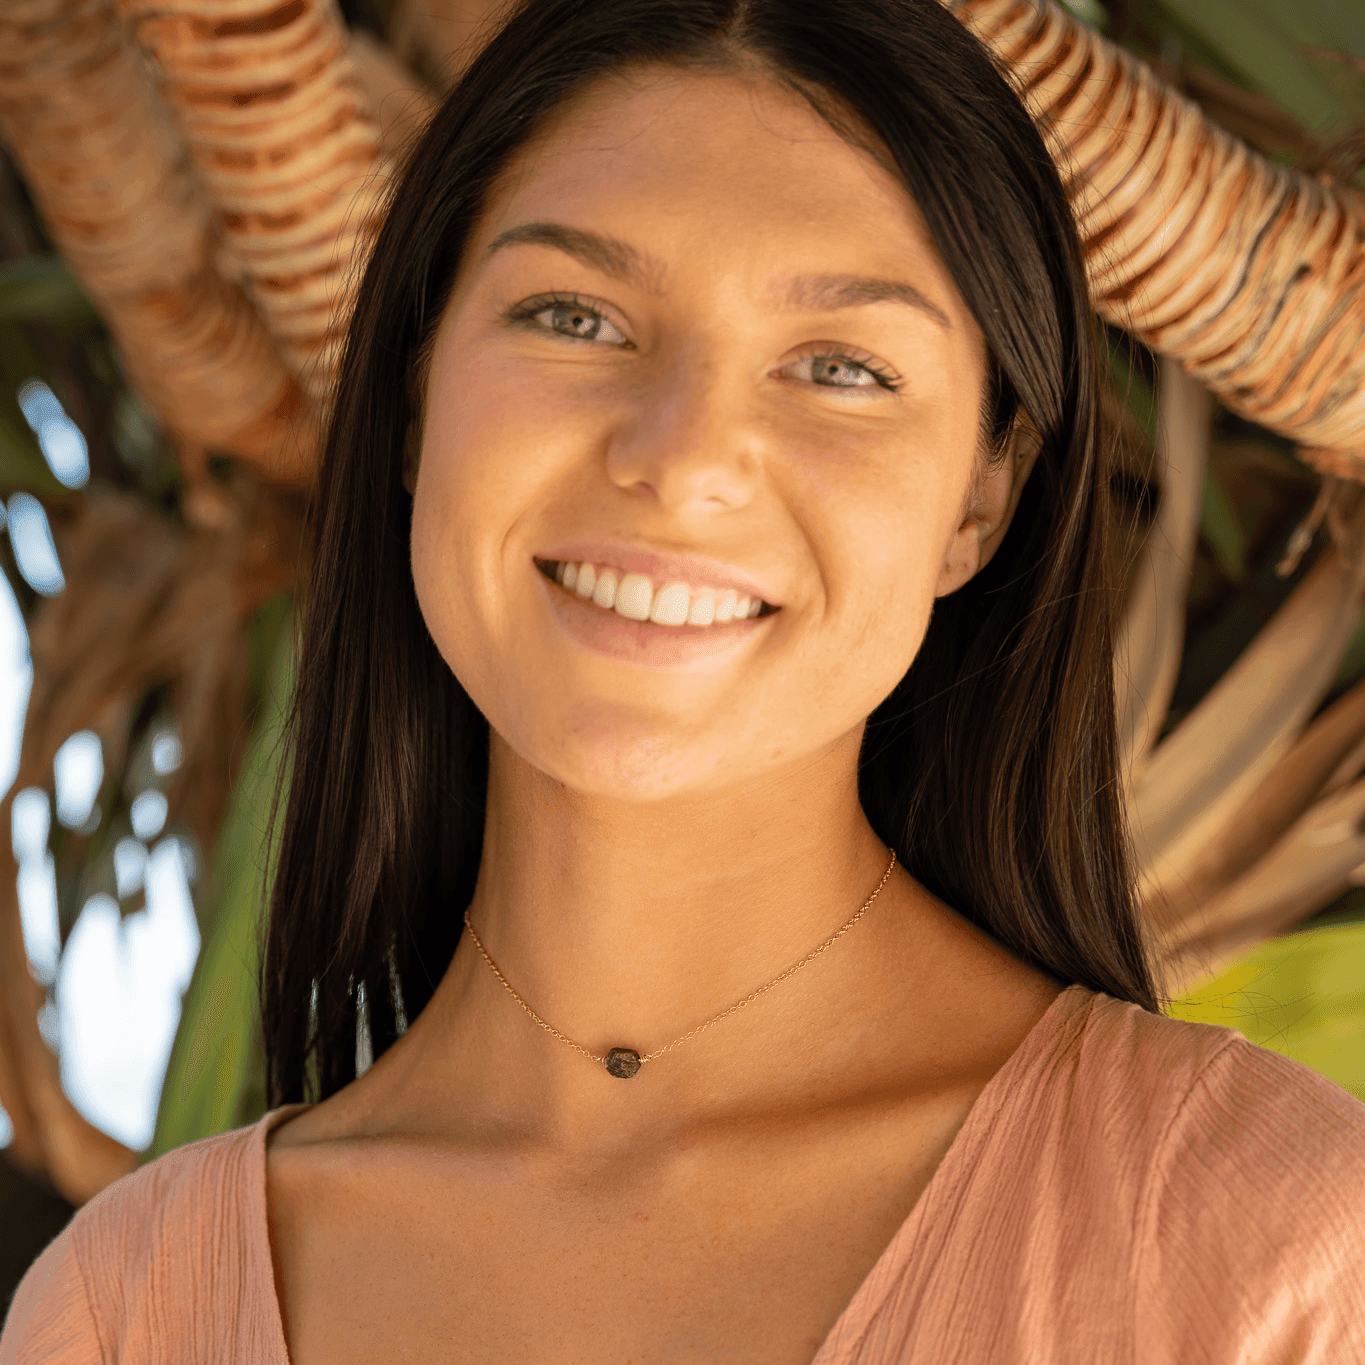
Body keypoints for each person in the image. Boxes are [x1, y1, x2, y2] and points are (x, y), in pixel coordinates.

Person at [6, 0, 1365, 1360]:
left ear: (981, 499)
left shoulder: (1266, 1248)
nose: (683, 457)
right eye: (575, 315)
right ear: (417, 396)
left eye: (841, 367)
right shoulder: (129, 1312)